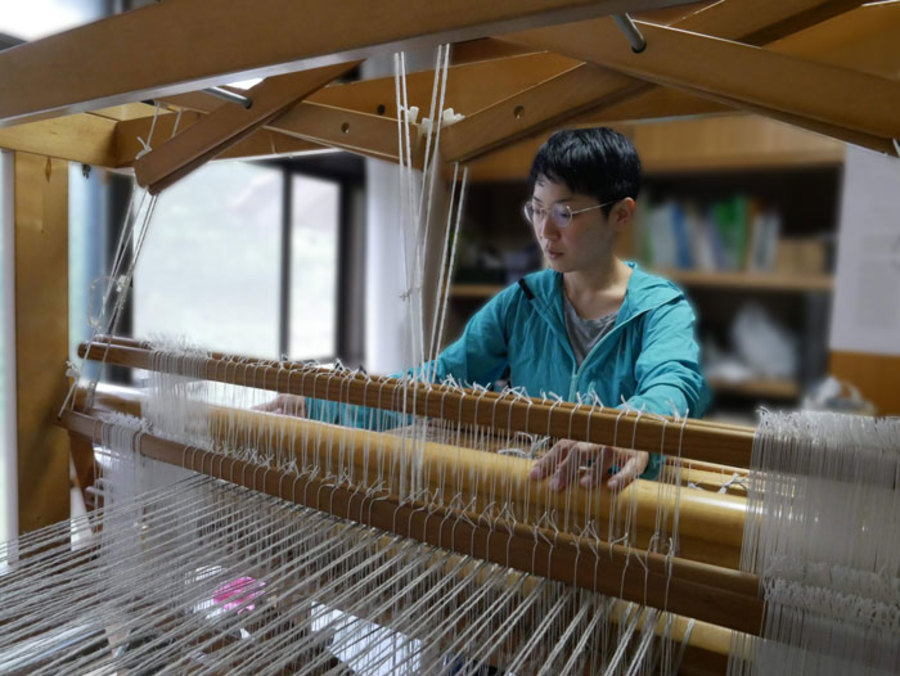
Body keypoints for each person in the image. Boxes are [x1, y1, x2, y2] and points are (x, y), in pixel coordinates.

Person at [262, 127, 709, 491]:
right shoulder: (523, 302)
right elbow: (437, 385)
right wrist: (325, 404)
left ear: (621, 214)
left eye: (566, 214)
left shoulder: (660, 308)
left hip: (620, 512)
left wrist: (631, 428)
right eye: (536, 210)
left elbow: (672, 383)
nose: (544, 231)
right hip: (541, 500)